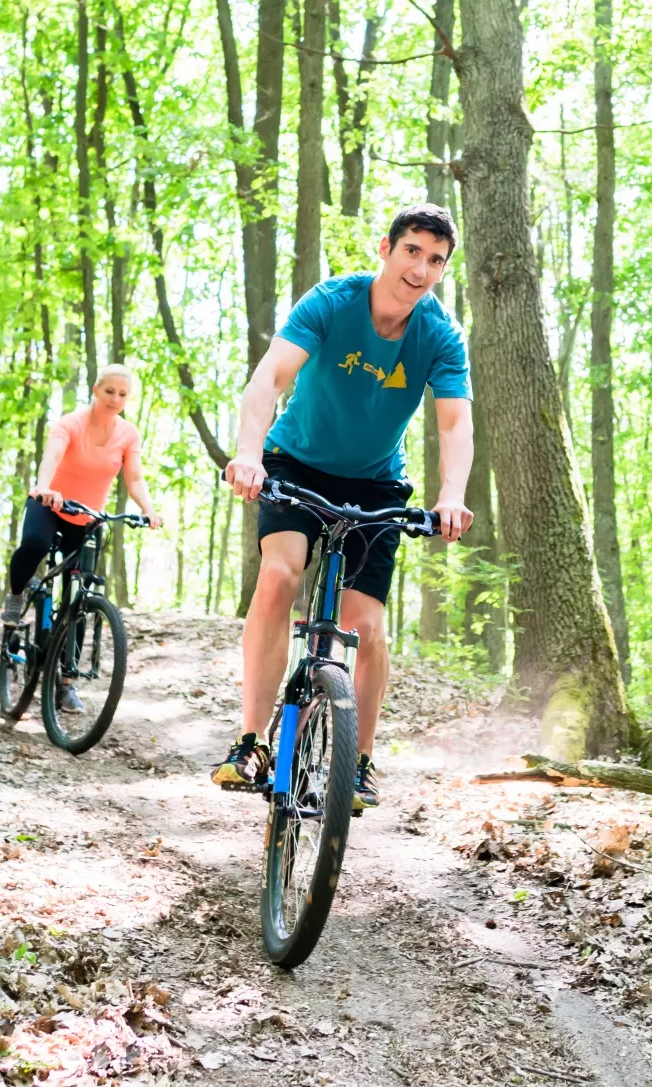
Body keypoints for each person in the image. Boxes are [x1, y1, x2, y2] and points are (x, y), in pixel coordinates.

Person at [218, 203, 473, 809]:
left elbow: (455, 422)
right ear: (386, 249)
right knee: (279, 576)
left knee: (368, 626)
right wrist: (249, 453)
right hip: (295, 465)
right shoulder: (332, 301)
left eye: (435, 260)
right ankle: (251, 741)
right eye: (412, 251)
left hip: (376, 486)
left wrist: (452, 497)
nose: (421, 268)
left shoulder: (439, 334)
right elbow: (269, 379)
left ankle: (357, 761)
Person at [1, 364, 163, 711]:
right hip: (50, 504)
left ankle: (65, 684)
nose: (115, 399)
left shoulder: (128, 434)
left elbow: (134, 480)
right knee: (36, 545)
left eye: (123, 394)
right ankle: (16, 593)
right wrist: (44, 489)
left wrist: (149, 509)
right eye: (109, 391)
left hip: (87, 518)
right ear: (95, 389)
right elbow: (52, 457)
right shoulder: (69, 424)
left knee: (80, 597)